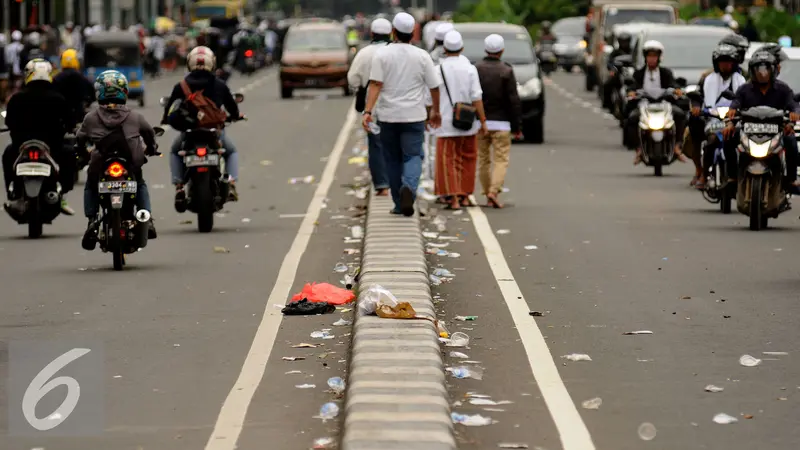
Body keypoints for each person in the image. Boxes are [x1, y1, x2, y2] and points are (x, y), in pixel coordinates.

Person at [362, 12, 442, 217]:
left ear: (394, 32)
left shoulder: (382, 54)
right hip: (414, 116)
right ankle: (409, 187)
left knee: (392, 159)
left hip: (388, 116)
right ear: (413, 33)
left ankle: (399, 203)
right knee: (413, 155)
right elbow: (434, 86)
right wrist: (436, 111)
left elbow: (376, 84)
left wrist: (368, 111)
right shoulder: (422, 56)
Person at [78, 70, 158, 249]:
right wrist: (152, 149)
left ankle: (92, 221)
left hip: (100, 163)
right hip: (131, 162)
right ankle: (147, 218)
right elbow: (150, 134)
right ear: (124, 90)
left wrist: (81, 154)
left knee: (91, 184)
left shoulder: (91, 117)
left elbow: (80, 139)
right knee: (140, 184)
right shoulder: (134, 116)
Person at [161, 46, 243, 210]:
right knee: (231, 151)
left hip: (189, 133)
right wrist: (234, 116)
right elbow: (232, 108)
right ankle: (232, 183)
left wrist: (165, 120)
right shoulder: (219, 85)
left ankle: (179, 186)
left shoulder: (181, 86)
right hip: (214, 132)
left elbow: (169, 110)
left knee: (175, 151)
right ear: (212, 63)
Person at [3, 59, 74, 216]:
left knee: (7, 155)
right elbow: (70, 122)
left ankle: (12, 191)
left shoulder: (16, 99)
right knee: (70, 154)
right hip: (53, 147)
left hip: (21, 146)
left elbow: (9, 122)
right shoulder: (58, 98)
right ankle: (63, 191)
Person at [722, 50, 800, 193]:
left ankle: (792, 179)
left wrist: (794, 115)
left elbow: (793, 104)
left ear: (773, 70)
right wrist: (730, 120)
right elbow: (735, 103)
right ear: (752, 70)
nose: (762, 73)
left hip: (776, 130)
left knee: (791, 141)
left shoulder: (783, 89)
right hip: (749, 131)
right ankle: (732, 177)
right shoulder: (744, 89)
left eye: (766, 69)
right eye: (758, 69)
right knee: (727, 137)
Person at [433, 31, 486, 210]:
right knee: (468, 158)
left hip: (445, 122)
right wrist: (483, 121)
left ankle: (453, 197)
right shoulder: (470, 68)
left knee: (447, 160)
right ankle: (465, 196)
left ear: (445, 49)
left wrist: (429, 115)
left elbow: (430, 96)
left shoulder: (438, 69)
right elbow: (477, 97)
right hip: (468, 122)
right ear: (462, 48)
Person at [475, 34, 521, 209]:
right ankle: (494, 191)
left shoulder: (476, 68)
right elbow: (513, 101)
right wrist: (517, 126)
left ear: (486, 49)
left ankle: (487, 194)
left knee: (484, 160)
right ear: (501, 50)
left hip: (481, 123)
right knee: (501, 160)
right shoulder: (506, 71)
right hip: (502, 124)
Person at [347, 18, 392, 196]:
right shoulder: (396, 52)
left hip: (371, 106)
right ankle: (400, 181)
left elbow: (353, 79)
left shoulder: (364, 53)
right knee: (396, 144)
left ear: (372, 34)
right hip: (396, 104)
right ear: (391, 33)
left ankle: (382, 185)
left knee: (376, 144)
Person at [691, 44, 745, 189]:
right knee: (711, 141)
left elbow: (746, 100)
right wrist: (696, 107)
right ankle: (704, 174)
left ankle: (742, 176)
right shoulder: (707, 79)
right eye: (722, 61)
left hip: (735, 120)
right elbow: (698, 96)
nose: (725, 65)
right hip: (713, 118)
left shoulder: (741, 80)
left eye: (728, 61)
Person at [627, 40, 687, 165]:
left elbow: (673, 84)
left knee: (680, 115)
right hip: (644, 104)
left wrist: (677, 90)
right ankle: (638, 149)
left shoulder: (666, 73)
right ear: (645, 57)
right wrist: (631, 92)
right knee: (632, 118)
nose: (652, 59)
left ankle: (677, 146)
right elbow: (632, 86)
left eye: (654, 56)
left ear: (659, 58)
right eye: (649, 56)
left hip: (664, 104)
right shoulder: (639, 73)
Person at [53, 49, 96, 130]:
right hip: (79, 117)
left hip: (60, 119)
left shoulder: (56, 79)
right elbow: (92, 96)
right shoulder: (83, 78)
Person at [603, 31, 633, 108]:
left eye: (626, 42)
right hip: (619, 73)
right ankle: (607, 103)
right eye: (622, 42)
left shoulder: (632, 52)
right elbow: (609, 62)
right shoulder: (615, 52)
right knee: (607, 85)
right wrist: (612, 69)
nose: (624, 44)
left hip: (630, 74)